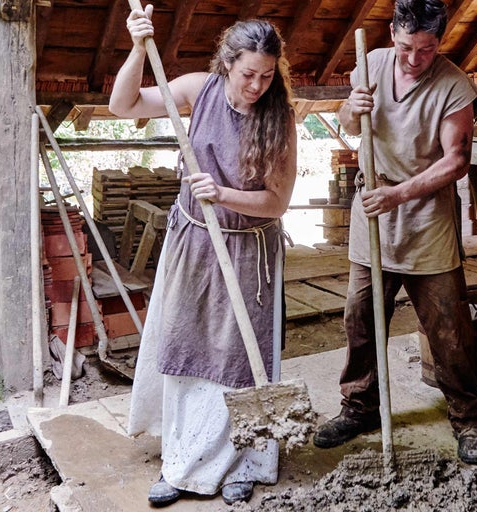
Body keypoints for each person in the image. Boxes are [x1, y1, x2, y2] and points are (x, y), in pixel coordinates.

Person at [109, 4, 297, 507]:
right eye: (247, 74)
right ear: (227, 64)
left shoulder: (279, 119)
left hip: (247, 252)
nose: (256, 85)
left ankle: (243, 463)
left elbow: (277, 202)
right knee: (186, 348)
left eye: (266, 75)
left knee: (239, 361)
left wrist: (224, 194)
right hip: (193, 243)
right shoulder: (199, 89)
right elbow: (122, 106)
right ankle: (182, 462)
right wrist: (135, 48)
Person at [312, 0, 477, 465]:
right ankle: (358, 408)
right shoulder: (368, 64)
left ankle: (467, 418)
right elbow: (354, 128)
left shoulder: (453, 85)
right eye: (407, 46)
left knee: (448, 328)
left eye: (427, 49)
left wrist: (399, 195)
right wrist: (352, 108)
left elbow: (457, 161)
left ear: (440, 41)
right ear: (392, 31)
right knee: (360, 320)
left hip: (426, 216)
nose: (414, 58)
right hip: (372, 206)